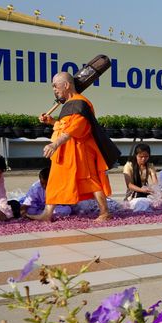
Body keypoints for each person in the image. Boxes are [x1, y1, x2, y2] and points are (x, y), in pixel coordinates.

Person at [31, 72, 120, 222]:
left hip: (80, 151)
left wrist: (55, 143)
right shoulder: (69, 104)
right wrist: (51, 121)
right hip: (65, 152)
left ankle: (105, 212)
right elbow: (64, 126)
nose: (54, 89)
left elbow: (76, 128)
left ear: (66, 85)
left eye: (55, 85)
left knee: (90, 180)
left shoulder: (80, 103)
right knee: (55, 181)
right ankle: (47, 214)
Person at [122, 144, 162, 212]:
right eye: (141, 157)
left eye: (146, 156)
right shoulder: (129, 166)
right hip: (133, 194)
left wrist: (156, 190)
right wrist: (142, 190)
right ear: (136, 155)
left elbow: (155, 182)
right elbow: (129, 185)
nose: (143, 159)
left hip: (145, 192)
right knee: (140, 204)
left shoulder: (149, 165)